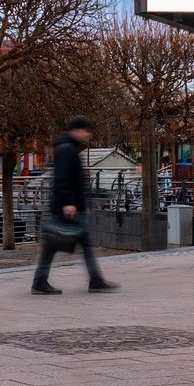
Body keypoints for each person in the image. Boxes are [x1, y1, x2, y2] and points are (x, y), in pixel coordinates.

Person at [32, 116, 117, 295]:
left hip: (70, 205)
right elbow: (63, 178)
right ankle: (41, 281)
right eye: (86, 131)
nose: (88, 135)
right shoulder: (66, 149)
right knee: (55, 245)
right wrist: (69, 202)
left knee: (63, 244)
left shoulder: (68, 147)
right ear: (76, 130)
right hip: (68, 206)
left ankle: (94, 279)